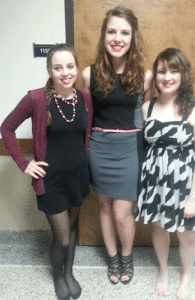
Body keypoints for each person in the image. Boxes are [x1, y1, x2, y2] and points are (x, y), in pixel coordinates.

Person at [1, 43, 93, 300]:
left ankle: (69, 272)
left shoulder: (84, 99)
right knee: (62, 238)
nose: (65, 72)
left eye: (70, 66)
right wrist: (24, 163)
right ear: (49, 70)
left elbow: (86, 137)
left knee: (73, 229)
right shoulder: (36, 98)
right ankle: (58, 275)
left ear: (76, 67)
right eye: (58, 67)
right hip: (50, 181)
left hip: (77, 178)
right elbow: (6, 128)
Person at [82, 6, 152, 285]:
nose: (118, 38)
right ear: (104, 35)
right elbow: (85, 118)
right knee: (104, 206)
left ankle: (127, 255)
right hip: (100, 147)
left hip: (131, 149)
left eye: (124, 32)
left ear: (133, 37)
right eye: (112, 31)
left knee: (123, 213)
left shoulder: (145, 76)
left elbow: (148, 118)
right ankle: (113, 258)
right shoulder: (88, 74)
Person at [136, 47, 195, 299]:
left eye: (173, 71)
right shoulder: (147, 108)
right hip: (156, 182)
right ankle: (163, 271)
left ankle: (186, 276)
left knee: (187, 235)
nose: (166, 77)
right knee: (159, 229)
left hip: (185, 184)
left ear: (183, 75)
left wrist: (192, 198)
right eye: (161, 71)